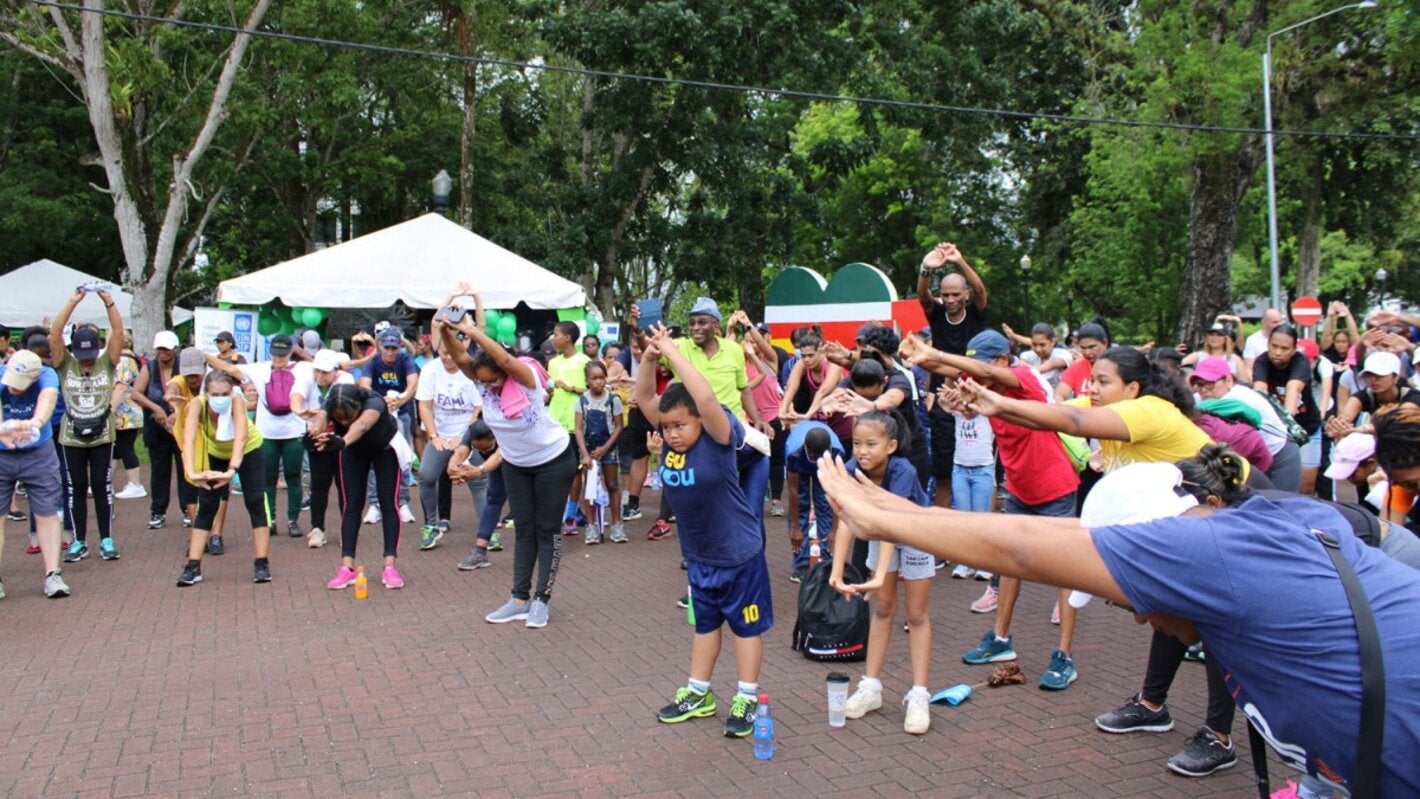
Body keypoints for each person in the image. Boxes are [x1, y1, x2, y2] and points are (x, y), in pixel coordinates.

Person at [817, 454, 1420, 797]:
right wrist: (908, 511)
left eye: (1132, 594)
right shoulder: (1238, 537)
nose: (1136, 613)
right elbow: (1056, 536)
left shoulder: (1208, 551)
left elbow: (1021, 547)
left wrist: (884, 523)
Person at [904, 330, 1081, 690]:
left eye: (982, 366)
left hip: (1054, 488)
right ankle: (1000, 640)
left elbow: (971, 369)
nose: (974, 376)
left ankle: (1064, 656)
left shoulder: (1024, 378)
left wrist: (936, 352)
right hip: (1019, 489)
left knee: (1067, 573)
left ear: (1001, 361)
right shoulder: (986, 390)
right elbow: (955, 373)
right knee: (1007, 564)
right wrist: (926, 361)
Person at [636, 324, 773, 740]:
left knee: (745, 627)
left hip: (739, 554)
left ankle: (747, 697)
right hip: (700, 556)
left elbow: (709, 399)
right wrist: (649, 358)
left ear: (699, 418)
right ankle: (699, 694)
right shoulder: (670, 439)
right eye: (667, 427)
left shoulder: (717, 436)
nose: (672, 433)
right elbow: (644, 398)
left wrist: (674, 353)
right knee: (705, 625)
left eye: (680, 425)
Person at [442, 299, 577, 629]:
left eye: (494, 381)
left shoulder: (526, 378)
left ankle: (541, 600)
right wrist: (446, 329)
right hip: (517, 465)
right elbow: (460, 357)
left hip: (553, 460)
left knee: (547, 530)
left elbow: (503, 359)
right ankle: (518, 599)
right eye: (484, 382)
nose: (488, 387)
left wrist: (473, 330)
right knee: (524, 529)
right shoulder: (484, 380)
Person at [828, 411, 935, 735]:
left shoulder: (903, 470)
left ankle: (919, 695)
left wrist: (876, 576)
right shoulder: (851, 469)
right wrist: (836, 572)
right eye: (857, 443)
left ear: (891, 446)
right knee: (883, 608)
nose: (862, 451)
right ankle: (871, 687)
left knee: (916, 613)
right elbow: (847, 519)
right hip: (881, 533)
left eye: (871, 444)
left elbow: (892, 522)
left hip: (916, 533)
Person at [50, 287, 126, 563]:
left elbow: (118, 332)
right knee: (76, 487)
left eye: (91, 353)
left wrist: (109, 302)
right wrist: (72, 302)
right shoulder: (65, 364)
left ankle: (106, 538)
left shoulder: (106, 363)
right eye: (83, 355)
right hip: (71, 436)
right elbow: (54, 334)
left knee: (101, 485)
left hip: (102, 435)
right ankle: (79, 541)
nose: (87, 360)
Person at [207, 334, 309, 538]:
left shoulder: (303, 368)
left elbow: (327, 366)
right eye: (275, 354)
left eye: (283, 355)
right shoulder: (260, 368)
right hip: (267, 432)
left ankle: (293, 520)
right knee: (268, 478)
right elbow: (230, 369)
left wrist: (301, 352)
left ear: (290, 352)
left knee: (293, 477)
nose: (278, 359)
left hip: (294, 431)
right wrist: (203, 355)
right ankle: (270, 520)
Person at [176, 371, 272, 586]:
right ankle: (193, 566)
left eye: (225, 394)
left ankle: (261, 563)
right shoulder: (198, 404)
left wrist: (231, 471)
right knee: (207, 505)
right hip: (216, 453)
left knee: (255, 501)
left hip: (249, 450)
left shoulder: (237, 401)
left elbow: (241, 438)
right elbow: (188, 439)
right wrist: (190, 472)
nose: (220, 398)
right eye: (215, 394)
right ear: (206, 393)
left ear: (231, 392)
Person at [311, 383, 407, 591]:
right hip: (353, 451)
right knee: (351, 505)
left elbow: (362, 425)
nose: (345, 422)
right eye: (340, 419)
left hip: (385, 449)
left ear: (358, 406)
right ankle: (347, 568)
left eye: (349, 417)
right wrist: (315, 432)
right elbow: (320, 417)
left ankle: (390, 566)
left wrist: (342, 441)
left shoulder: (374, 401)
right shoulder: (333, 400)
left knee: (388, 503)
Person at [918, 241, 988, 509]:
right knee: (943, 472)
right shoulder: (937, 315)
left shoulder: (976, 314)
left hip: (976, 398)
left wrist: (959, 261)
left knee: (983, 469)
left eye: (956, 294)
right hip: (944, 399)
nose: (950, 300)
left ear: (965, 295)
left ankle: (985, 524)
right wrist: (926, 269)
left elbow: (981, 290)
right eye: (945, 295)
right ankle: (942, 527)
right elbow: (923, 296)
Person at [0, 350, 72, 599]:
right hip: (2, 454)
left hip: (39, 454)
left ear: (34, 377)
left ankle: (53, 575)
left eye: (20, 384)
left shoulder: (47, 375)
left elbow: (47, 400)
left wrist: (35, 424)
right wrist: (3, 431)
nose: (13, 387)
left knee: (47, 512)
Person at [1189, 356, 1303, 492]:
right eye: (1199, 384)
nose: (1203, 389)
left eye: (1209, 383)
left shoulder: (1241, 396)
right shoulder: (1201, 397)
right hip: (1250, 457)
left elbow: (1251, 416)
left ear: (1228, 380)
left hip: (1280, 454)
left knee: (1283, 500)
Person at [414, 343, 481, 550]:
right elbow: (425, 405)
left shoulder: (471, 369)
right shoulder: (429, 370)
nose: (448, 358)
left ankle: (488, 531)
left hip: (468, 434)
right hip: (441, 435)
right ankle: (431, 526)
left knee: (478, 480)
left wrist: (464, 438)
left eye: (452, 354)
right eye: (444, 353)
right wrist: (434, 436)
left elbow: (478, 407)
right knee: (426, 475)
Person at [130, 332, 197, 529]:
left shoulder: (184, 368)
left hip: (182, 427)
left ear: (175, 350)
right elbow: (135, 393)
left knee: (185, 468)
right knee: (159, 470)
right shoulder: (149, 367)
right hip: (156, 427)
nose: (163, 353)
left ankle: (188, 509)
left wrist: (178, 412)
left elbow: (194, 393)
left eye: (166, 349)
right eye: (159, 349)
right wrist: (156, 408)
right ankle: (158, 511)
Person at [290, 349, 355, 548]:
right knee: (318, 485)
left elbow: (336, 406)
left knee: (345, 485)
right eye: (317, 371)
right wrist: (300, 410)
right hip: (317, 437)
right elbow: (296, 397)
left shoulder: (345, 380)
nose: (319, 376)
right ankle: (317, 528)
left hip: (341, 438)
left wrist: (320, 416)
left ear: (335, 370)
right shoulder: (307, 377)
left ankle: (347, 529)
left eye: (325, 372)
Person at [357, 327, 418, 524]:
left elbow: (413, 384)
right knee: (374, 458)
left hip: (401, 413)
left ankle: (402, 502)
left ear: (399, 347)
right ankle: (374, 504)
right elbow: (364, 385)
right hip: (378, 414)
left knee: (403, 458)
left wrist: (400, 400)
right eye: (387, 348)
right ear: (381, 346)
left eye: (394, 348)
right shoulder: (374, 361)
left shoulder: (405, 360)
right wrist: (380, 401)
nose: (391, 352)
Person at [1253, 325, 1322, 495]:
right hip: (1276, 431)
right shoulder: (1261, 362)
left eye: (1284, 349)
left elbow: (1293, 388)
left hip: (1306, 428)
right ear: (1268, 344)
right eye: (1274, 346)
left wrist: (1287, 420)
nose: (1278, 352)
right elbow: (1259, 391)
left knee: (1306, 485)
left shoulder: (1301, 362)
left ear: (1293, 350)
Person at [546, 321, 592, 534]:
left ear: (567, 338)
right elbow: (551, 390)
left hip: (576, 423)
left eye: (555, 334)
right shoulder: (553, 363)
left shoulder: (584, 361)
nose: (552, 338)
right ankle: (560, 510)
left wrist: (570, 388)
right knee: (553, 468)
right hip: (554, 421)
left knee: (575, 470)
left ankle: (572, 513)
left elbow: (594, 389)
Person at [784, 420, 842, 582]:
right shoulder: (794, 453)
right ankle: (801, 564)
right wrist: (795, 527)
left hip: (826, 468)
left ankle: (826, 561)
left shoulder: (837, 453)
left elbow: (836, 493)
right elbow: (794, 492)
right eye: (813, 457)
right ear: (806, 449)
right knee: (801, 504)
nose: (816, 461)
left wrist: (834, 529)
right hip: (801, 467)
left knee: (825, 504)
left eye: (819, 457)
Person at [574, 360, 624, 544]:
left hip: (608, 447)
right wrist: (585, 454)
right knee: (589, 487)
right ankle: (591, 526)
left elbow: (619, 426)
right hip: (588, 449)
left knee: (612, 484)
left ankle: (617, 525)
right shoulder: (582, 401)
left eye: (602, 377)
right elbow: (579, 429)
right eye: (594, 378)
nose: (599, 382)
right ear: (587, 380)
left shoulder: (613, 400)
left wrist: (605, 448)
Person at [450, 420, 501, 571]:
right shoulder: (472, 432)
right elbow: (460, 453)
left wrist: (478, 471)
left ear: (495, 438)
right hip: (498, 465)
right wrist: (453, 469)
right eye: (479, 449)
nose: (483, 452)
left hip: (525, 463)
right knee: (493, 499)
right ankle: (480, 552)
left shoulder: (502, 431)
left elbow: (499, 456)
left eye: (487, 448)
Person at [110, 336, 147, 500]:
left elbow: (120, 388)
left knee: (125, 447)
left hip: (126, 414)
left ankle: (135, 484)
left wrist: (109, 410)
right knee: (117, 448)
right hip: (126, 413)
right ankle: (106, 481)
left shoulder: (123, 361)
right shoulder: (129, 358)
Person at [1004, 323, 1072, 388]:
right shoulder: (1027, 355)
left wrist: (1028, 371)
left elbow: (1051, 364)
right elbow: (1022, 363)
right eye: (1034, 345)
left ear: (1053, 342)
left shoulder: (1063, 354)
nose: (1038, 349)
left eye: (1042, 345)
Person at [1182, 320, 1249, 385]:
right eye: (1211, 335)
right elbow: (1181, 365)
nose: (1214, 338)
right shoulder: (1199, 356)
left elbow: (1244, 382)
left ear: (1226, 339)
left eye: (1219, 335)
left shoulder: (1235, 359)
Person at [1241, 307, 1286, 372]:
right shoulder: (1252, 341)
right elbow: (1249, 368)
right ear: (1264, 323)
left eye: (1280, 321)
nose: (1279, 325)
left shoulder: (1287, 338)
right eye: (1275, 322)